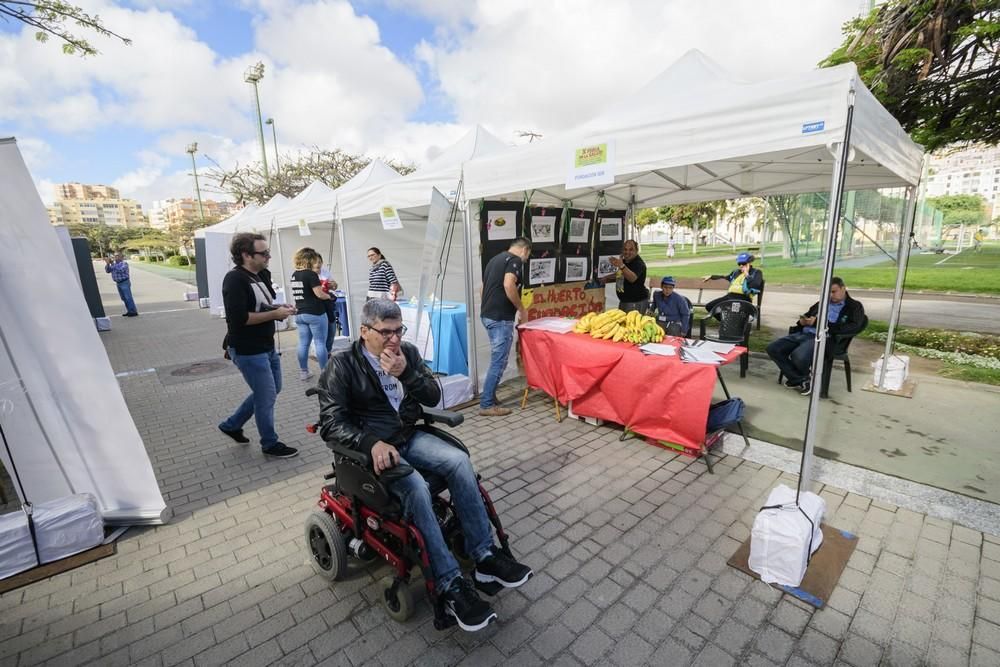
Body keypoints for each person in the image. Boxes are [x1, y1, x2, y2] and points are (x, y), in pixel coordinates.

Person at [317, 299, 533, 632]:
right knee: (415, 485)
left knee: (460, 461)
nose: (393, 339)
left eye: (398, 330)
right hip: (374, 450)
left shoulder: (409, 354)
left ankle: (484, 555)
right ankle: (448, 583)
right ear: (363, 331)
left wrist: (407, 373)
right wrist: (370, 442)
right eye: (385, 332)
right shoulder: (342, 366)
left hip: (408, 436)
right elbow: (331, 423)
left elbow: (433, 396)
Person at [218, 232, 299, 459]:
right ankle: (270, 443)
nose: (268, 257)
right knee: (266, 395)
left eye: (268, 252)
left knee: (271, 391)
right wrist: (275, 313)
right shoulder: (234, 279)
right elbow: (240, 318)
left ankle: (232, 424)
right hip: (247, 348)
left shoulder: (259, 274)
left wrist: (278, 307)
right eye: (263, 253)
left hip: (266, 345)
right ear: (245, 255)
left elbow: (261, 306)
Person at [765, 277, 866, 396]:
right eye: (827, 292)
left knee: (799, 356)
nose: (830, 296)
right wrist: (803, 321)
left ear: (843, 288)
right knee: (773, 348)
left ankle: (798, 379)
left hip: (825, 338)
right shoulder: (821, 303)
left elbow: (852, 327)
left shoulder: (854, 306)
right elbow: (808, 315)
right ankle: (802, 380)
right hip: (804, 333)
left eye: (833, 292)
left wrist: (820, 323)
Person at [479, 237, 532, 417]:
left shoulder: (495, 259)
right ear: (525, 250)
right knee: (499, 361)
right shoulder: (515, 261)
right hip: (500, 318)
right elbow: (509, 284)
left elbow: (483, 288)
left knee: (498, 358)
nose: (525, 259)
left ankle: (490, 396)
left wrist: (488, 306)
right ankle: (486, 404)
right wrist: (521, 309)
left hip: (488, 315)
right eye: (527, 255)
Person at [290, 247, 331, 381]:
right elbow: (319, 294)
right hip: (315, 312)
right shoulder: (310, 274)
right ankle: (325, 373)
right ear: (308, 259)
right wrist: (329, 296)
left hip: (300, 313)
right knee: (320, 343)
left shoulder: (294, 274)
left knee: (303, 344)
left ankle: (303, 371)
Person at [606, 239, 649, 313]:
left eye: (631, 250)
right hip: (624, 301)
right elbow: (621, 274)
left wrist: (621, 265)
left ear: (636, 251)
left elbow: (632, 278)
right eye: (625, 249)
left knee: (631, 324)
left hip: (635, 303)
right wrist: (606, 278)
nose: (627, 252)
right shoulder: (625, 261)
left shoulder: (638, 263)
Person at [104, 252, 138, 317]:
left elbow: (120, 270)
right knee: (123, 298)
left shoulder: (124, 264)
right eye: (114, 256)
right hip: (118, 283)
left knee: (128, 297)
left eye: (117, 256)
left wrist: (112, 264)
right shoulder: (113, 264)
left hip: (124, 282)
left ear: (121, 257)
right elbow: (107, 271)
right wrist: (108, 264)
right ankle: (129, 311)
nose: (115, 257)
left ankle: (133, 311)